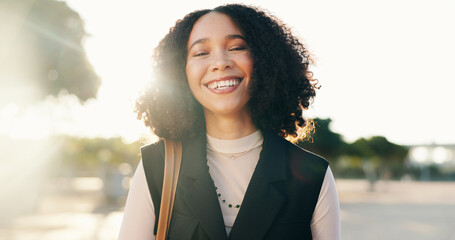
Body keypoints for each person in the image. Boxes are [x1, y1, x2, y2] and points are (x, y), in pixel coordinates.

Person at [119, 4, 340, 240]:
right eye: (201, 53)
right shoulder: (157, 167)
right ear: (179, 72)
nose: (220, 62)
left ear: (265, 60)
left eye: (236, 47)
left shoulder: (315, 177)